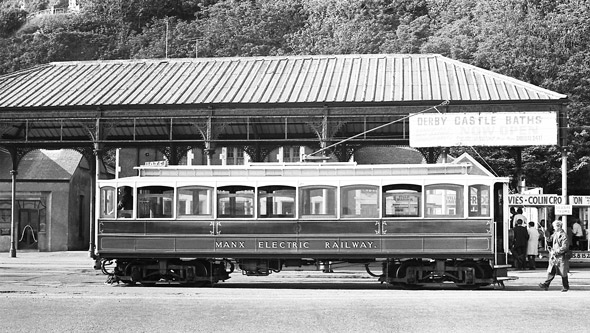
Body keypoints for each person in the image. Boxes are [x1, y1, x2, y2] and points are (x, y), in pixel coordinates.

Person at [539, 220, 570, 292]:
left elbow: (565, 247)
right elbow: (549, 239)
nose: (553, 228)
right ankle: (546, 284)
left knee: (563, 272)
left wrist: (556, 251)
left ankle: (566, 286)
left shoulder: (564, 235)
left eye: (554, 226)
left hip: (561, 256)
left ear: (558, 226)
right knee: (551, 270)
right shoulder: (555, 233)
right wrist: (545, 232)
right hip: (555, 256)